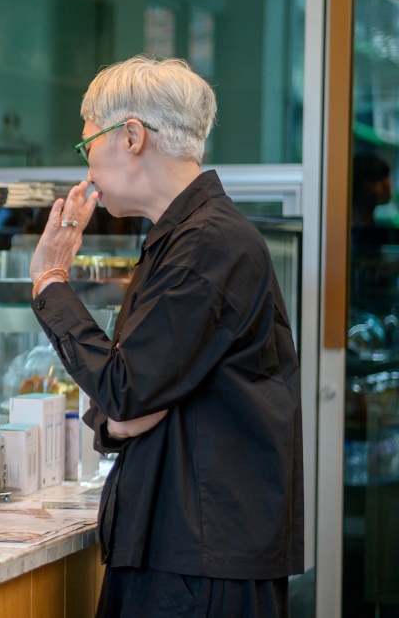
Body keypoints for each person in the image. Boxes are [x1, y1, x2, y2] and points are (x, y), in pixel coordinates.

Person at [28, 56, 303, 616]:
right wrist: (115, 416)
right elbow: (130, 395)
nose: (86, 175)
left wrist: (51, 282)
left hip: (199, 562)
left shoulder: (207, 244)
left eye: (87, 148)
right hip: (185, 549)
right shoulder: (181, 239)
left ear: (132, 136)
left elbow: (126, 386)